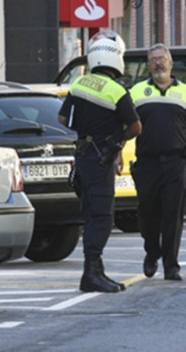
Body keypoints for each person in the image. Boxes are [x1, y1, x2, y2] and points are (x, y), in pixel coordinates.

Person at [58, 30, 142, 293]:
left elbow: (63, 119)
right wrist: (116, 140)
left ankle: (95, 270)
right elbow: (136, 127)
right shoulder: (117, 90)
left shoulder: (79, 84)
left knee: (90, 213)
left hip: (83, 157)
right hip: (100, 157)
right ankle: (91, 273)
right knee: (102, 216)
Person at [129, 43, 186, 281]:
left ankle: (171, 265)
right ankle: (152, 253)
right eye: (153, 59)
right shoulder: (136, 92)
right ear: (148, 65)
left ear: (171, 63)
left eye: (162, 58)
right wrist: (117, 156)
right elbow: (126, 127)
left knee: (174, 215)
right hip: (146, 164)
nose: (158, 63)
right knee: (148, 214)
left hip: (176, 163)